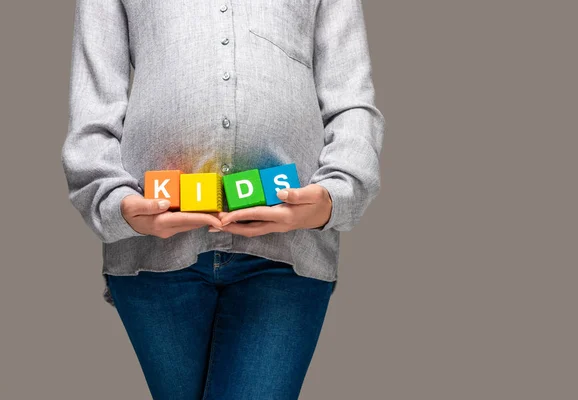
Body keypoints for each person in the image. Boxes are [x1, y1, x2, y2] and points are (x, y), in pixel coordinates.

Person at [61, 0, 385, 398]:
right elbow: (92, 109)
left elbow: (351, 99)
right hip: (152, 254)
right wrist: (115, 203)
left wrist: (337, 194)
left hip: (290, 249)